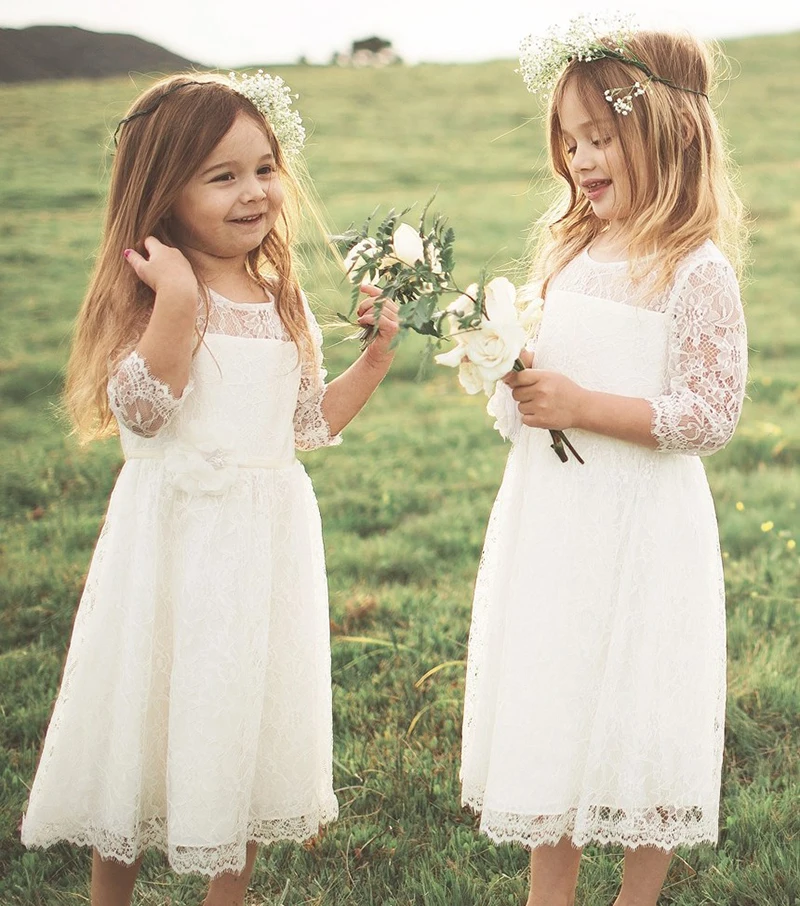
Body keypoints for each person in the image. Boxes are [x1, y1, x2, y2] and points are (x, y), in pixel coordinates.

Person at [20, 72, 397, 906]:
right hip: (174, 544)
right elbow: (143, 411)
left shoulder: (279, 297)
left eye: (264, 168)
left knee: (239, 721)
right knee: (142, 719)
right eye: (222, 176)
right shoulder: (157, 288)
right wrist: (180, 301)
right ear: (164, 190)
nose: (253, 192)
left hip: (260, 550)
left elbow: (303, 424)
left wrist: (371, 360)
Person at [460, 19, 749, 906]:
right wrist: (509, 376)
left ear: (666, 136)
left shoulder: (693, 270)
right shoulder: (571, 252)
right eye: (572, 143)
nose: (582, 160)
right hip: (555, 520)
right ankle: (550, 891)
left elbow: (709, 414)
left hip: (641, 523)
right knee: (556, 688)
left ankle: (636, 894)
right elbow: (535, 394)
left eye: (601, 138)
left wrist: (585, 406)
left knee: (638, 700)